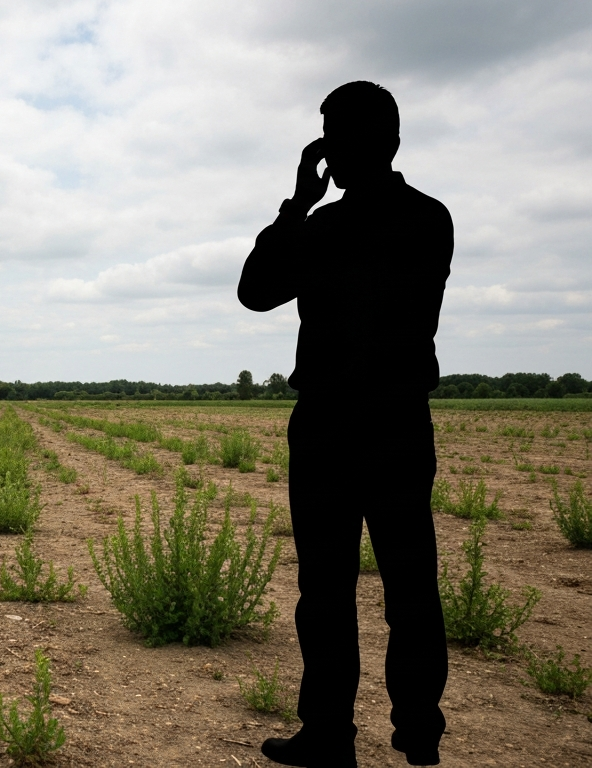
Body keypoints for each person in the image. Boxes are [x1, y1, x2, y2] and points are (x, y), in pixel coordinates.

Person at [238, 81, 452, 767]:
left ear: (379, 140)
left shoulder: (345, 227)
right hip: (381, 424)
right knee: (377, 588)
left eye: (337, 133)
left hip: (349, 423)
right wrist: (304, 207)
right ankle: (398, 734)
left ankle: (352, 733)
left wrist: (299, 203)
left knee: (354, 590)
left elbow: (257, 288)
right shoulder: (426, 217)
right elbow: (257, 292)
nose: (332, 146)